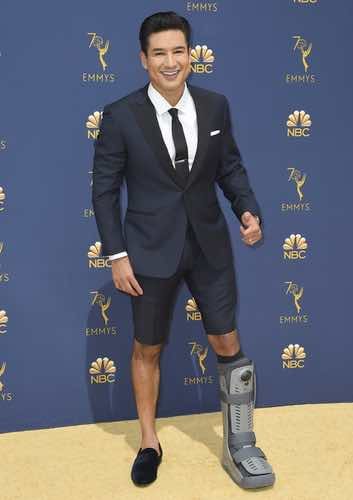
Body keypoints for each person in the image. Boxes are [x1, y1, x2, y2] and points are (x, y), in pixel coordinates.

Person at [92, 11, 275, 490]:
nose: (170, 62)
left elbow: (229, 168)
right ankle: (149, 442)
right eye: (159, 53)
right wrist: (116, 254)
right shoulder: (120, 115)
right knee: (146, 347)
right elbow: (105, 192)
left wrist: (247, 210)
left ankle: (242, 443)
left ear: (190, 56)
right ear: (143, 60)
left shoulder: (215, 106)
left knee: (227, 342)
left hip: (209, 246)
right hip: (148, 251)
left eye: (179, 51)